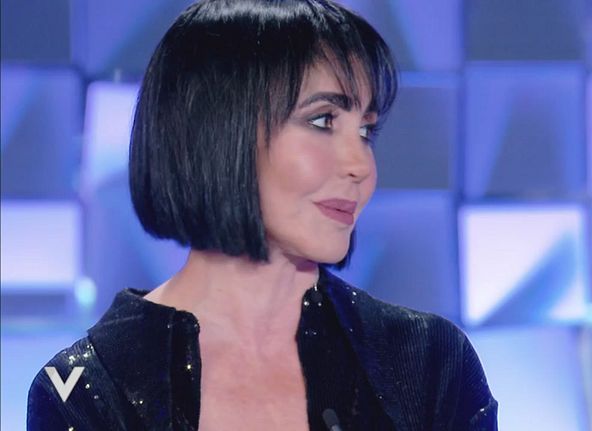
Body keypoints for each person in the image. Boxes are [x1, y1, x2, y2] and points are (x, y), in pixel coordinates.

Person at [27, 0, 498, 429]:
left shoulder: (428, 363)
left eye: (365, 132)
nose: (361, 166)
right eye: (323, 121)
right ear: (218, 130)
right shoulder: (88, 391)